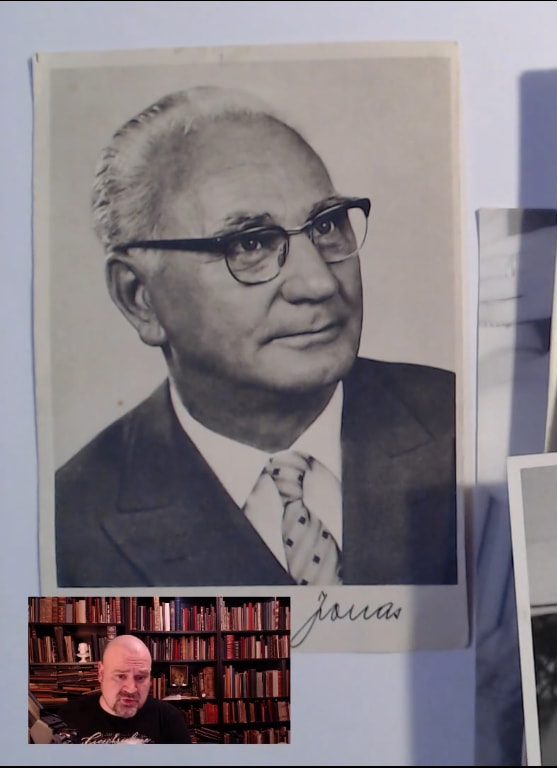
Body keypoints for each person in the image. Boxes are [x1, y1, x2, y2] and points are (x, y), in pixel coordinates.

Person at [54, 85, 459, 588]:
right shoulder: (68, 528)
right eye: (249, 244)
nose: (319, 283)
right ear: (140, 298)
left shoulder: (460, 424)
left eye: (326, 225)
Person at [56, 634, 193, 744]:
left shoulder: (169, 720)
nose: (131, 689)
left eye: (140, 677)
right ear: (101, 673)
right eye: (120, 676)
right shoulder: (68, 717)